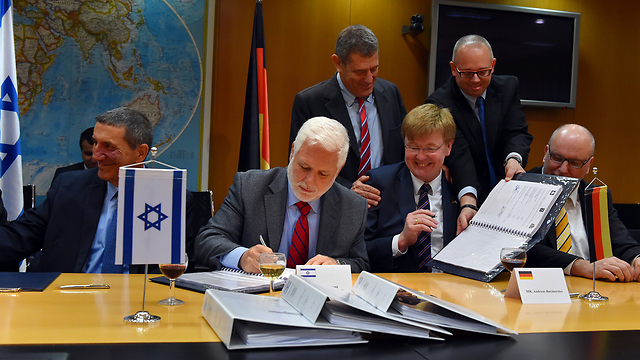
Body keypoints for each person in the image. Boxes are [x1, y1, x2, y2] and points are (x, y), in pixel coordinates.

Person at [0, 107, 195, 273]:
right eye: (95, 143)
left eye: (109, 147)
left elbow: (182, 264)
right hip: (68, 299)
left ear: (141, 153)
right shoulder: (69, 186)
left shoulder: (169, 196)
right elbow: (22, 235)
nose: (96, 156)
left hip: (136, 304)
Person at [197, 117, 369, 273]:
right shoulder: (250, 187)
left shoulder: (352, 206)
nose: (309, 181)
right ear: (293, 152)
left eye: (323, 174)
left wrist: (336, 265)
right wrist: (243, 257)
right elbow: (207, 240)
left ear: (338, 170)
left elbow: (361, 263)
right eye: (304, 167)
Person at [289, 24, 407, 207]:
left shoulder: (390, 93)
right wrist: (348, 189)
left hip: (386, 206)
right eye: (360, 72)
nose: (369, 79)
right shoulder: (310, 102)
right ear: (338, 63)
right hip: (334, 206)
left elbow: (403, 149)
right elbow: (300, 165)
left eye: (374, 69)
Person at [426, 34, 533, 206]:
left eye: (483, 72)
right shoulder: (440, 103)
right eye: (467, 73)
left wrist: (513, 159)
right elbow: (460, 155)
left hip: (507, 189)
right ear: (453, 68)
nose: (475, 80)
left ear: (493, 65)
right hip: (465, 191)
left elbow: (516, 131)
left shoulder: (508, 88)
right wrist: (469, 201)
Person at [527, 124, 640, 282]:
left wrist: (636, 259)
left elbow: (621, 241)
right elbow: (524, 248)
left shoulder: (595, 196)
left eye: (574, 163)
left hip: (590, 293)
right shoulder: (521, 188)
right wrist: (580, 266)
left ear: (588, 165)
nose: (563, 169)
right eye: (557, 158)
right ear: (546, 153)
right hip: (537, 287)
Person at [364, 104, 467, 272]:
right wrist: (401, 241)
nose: (420, 156)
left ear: (448, 147)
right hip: (398, 289)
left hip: (451, 289)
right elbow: (360, 251)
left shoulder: (459, 187)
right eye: (412, 147)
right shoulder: (379, 183)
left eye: (430, 148)